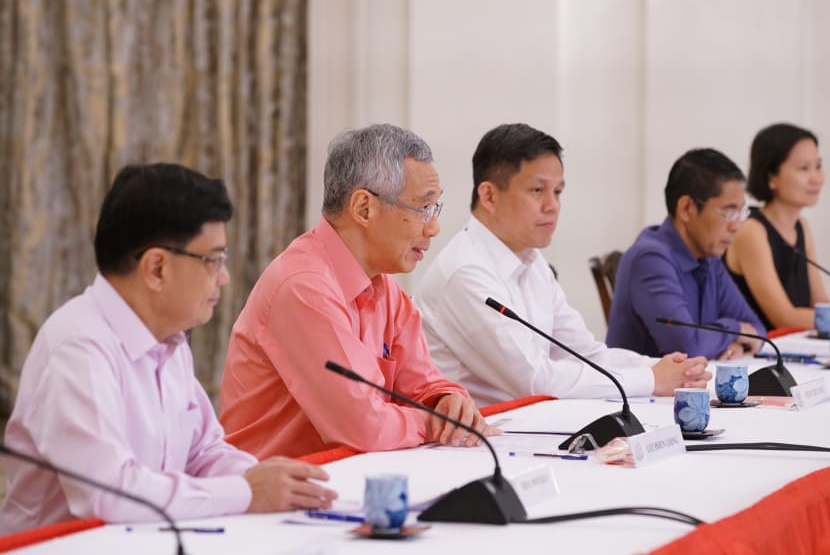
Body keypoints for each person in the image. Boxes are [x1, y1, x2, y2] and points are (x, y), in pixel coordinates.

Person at [0, 164, 337, 534]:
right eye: (214, 259)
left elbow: (203, 452)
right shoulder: (79, 348)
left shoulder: (169, 339)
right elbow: (111, 494)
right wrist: (244, 492)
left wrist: (265, 479)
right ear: (156, 268)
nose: (223, 276)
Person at [220, 124, 493, 459]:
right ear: (364, 208)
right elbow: (363, 427)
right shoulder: (302, 286)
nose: (433, 228)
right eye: (423, 208)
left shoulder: (385, 288)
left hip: (348, 478)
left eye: (435, 209)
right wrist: (433, 421)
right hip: (275, 494)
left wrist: (447, 401)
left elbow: (423, 384)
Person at [414, 123, 711, 407]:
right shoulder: (465, 273)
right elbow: (535, 380)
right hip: (477, 445)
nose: (552, 205)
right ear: (489, 196)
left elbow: (584, 353)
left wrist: (663, 367)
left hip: (527, 429)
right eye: (537, 191)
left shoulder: (532, 261)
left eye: (558, 192)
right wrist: (650, 379)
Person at [607, 148, 766, 360]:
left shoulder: (709, 258)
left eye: (741, 212)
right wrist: (734, 329)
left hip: (690, 389)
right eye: (728, 212)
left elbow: (758, 330)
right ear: (686, 208)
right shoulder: (649, 260)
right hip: (641, 392)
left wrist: (734, 345)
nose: (736, 225)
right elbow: (687, 348)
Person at [724, 123, 828, 330]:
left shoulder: (801, 226)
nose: (816, 178)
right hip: (757, 355)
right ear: (771, 177)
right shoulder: (751, 230)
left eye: (818, 166)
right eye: (804, 168)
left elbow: (821, 305)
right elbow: (784, 317)